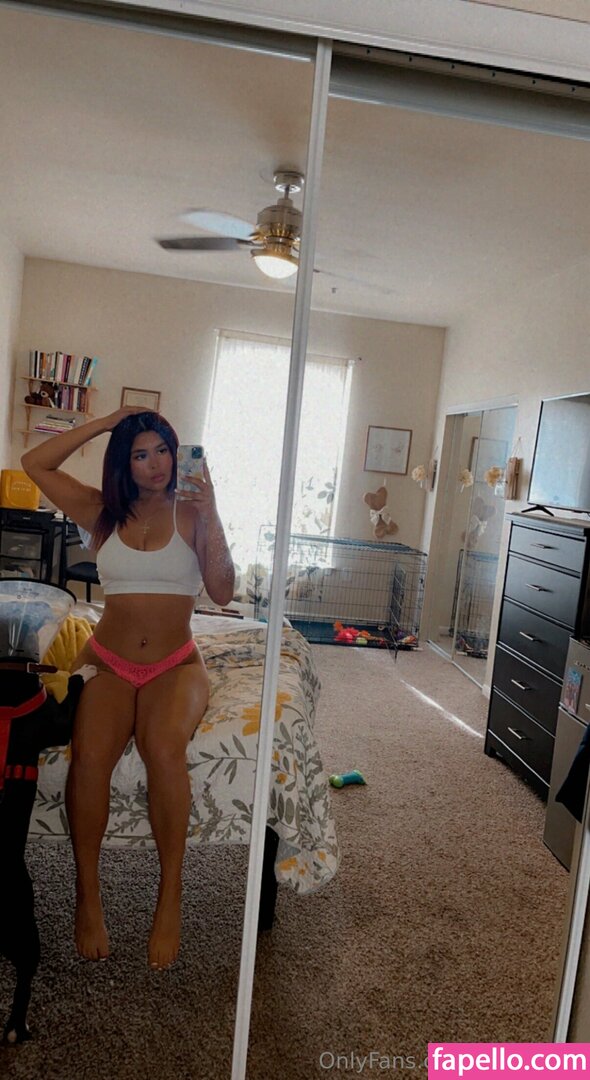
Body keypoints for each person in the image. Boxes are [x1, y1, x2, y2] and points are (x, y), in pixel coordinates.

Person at [21, 407, 235, 970]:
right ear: (125, 462)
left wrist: (211, 513)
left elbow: (222, 591)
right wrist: (106, 423)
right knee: (90, 755)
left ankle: (170, 895)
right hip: (109, 662)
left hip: (176, 664)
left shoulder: (192, 510)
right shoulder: (101, 512)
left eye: (162, 450)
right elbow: (34, 462)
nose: (156, 464)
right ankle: (87, 894)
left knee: (164, 748)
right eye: (140, 454)